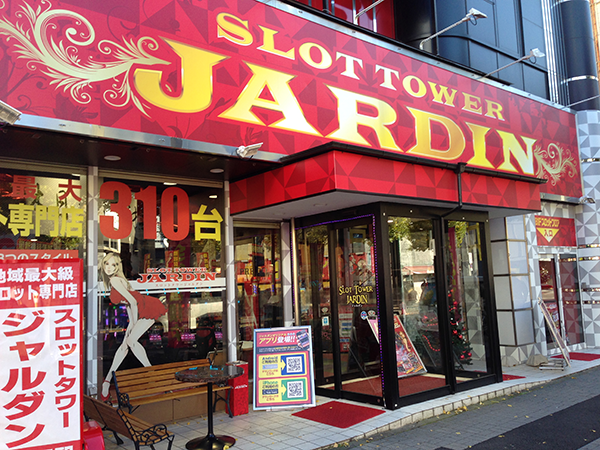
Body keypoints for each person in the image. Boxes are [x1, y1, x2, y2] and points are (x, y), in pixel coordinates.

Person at [100, 251, 167, 401]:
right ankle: (107, 381)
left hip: (145, 307)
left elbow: (133, 301)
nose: (109, 267)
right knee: (124, 346)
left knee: (130, 341)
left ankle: (154, 376)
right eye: (106, 263)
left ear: (118, 267)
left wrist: (134, 322)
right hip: (139, 309)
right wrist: (132, 322)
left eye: (113, 265)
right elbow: (129, 304)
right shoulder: (115, 280)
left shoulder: (115, 280)